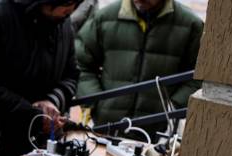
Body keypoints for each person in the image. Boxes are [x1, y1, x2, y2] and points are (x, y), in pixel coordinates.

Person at [0, 0, 81, 156]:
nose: (71, 9)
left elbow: (71, 74)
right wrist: (33, 114)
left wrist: (51, 102)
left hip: (36, 145)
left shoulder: (63, 21)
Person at [76, 0, 204, 130]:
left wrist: (172, 107)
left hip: (157, 133)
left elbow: (199, 76)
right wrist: (95, 102)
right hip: (106, 127)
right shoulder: (104, 18)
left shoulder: (191, 25)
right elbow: (80, 63)